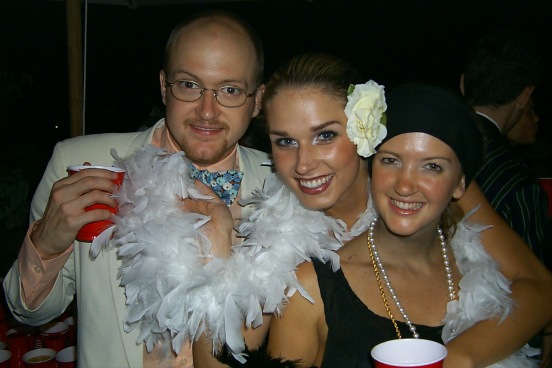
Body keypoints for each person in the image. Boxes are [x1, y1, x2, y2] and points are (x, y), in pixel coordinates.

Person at [190, 54, 552, 367]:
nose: (303, 164)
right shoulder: (275, 239)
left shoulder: (421, 189)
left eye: (326, 135)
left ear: (367, 132)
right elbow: (220, 360)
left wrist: (458, 357)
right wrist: (219, 243)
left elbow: (539, 287)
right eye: (285, 141)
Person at [2, 10, 271, 368]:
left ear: (257, 100)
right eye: (189, 84)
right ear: (164, 86)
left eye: (231, 90)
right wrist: (46, 246)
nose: (207, 111)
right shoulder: (80, 164)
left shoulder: (284, 186)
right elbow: (29, 313)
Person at [461, 29, 548, 261]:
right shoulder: (521, 185)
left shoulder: (431, 146)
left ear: (462, 83)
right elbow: (534, 286)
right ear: (525, 96)